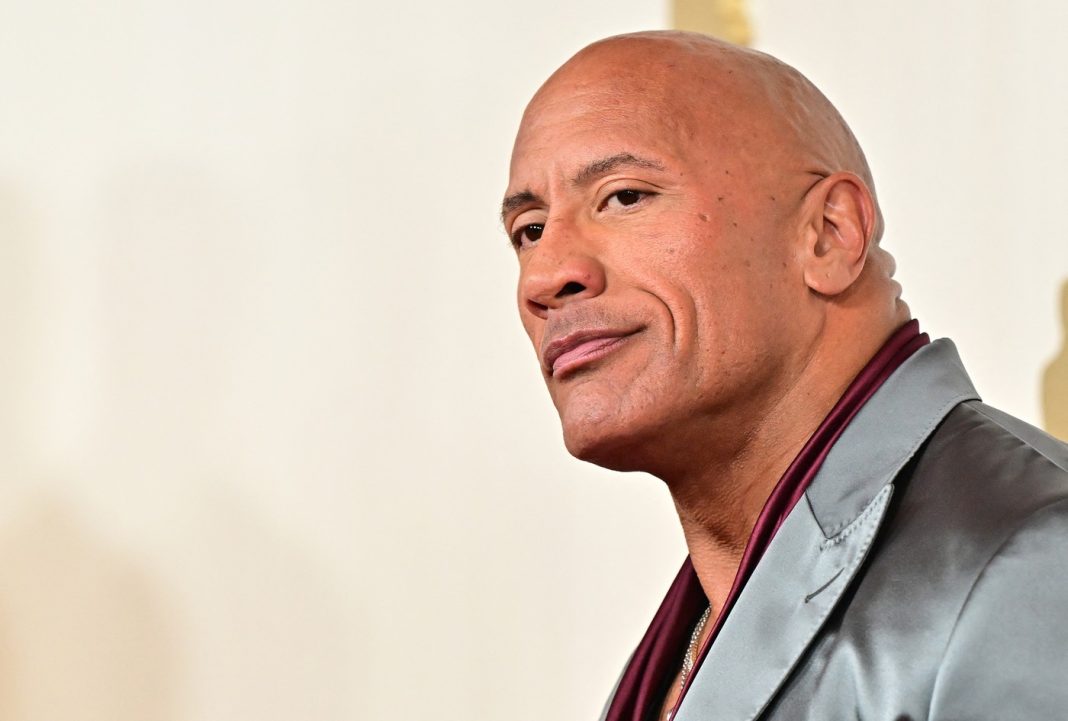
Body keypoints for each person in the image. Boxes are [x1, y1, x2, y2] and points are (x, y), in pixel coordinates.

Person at [501, 30, 1068, 721]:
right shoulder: (702, 623)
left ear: (829, 234)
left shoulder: (1036, 560)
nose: (544, 276)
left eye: (624, 197)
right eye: (529, 230)